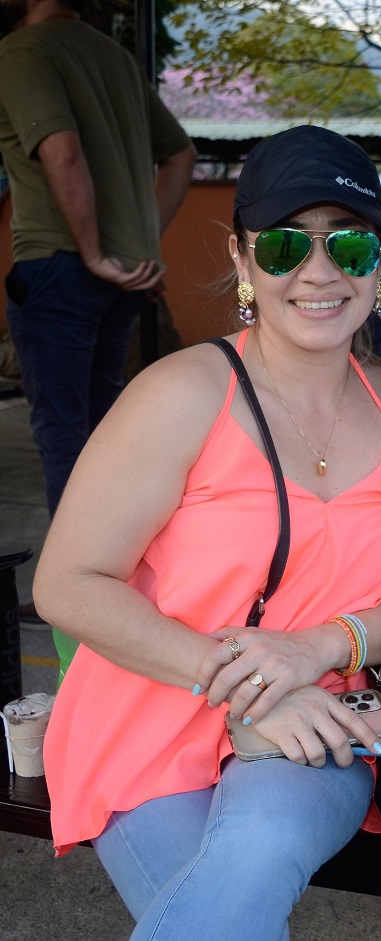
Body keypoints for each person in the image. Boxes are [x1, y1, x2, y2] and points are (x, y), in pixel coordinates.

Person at [33, 124, 381, 941]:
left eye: (347, 246)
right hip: (148, 715)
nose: (317, 272)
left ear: (379, 262)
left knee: (258, 845)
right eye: (284, 245)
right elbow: (66, 581)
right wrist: (241, 678)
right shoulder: (184, 390)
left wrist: (317, 649)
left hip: (316, 717)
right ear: (243, 260)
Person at [0, 0, 197, 676]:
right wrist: (135, 247)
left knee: (64, 435)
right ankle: (116, 584)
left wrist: (91, 250)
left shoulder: (22, 52)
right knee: (104, 434)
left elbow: (60, 148)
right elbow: (179, 155)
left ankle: (76, 603)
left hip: (61, 266)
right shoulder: (113, 56)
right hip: (116, 279)